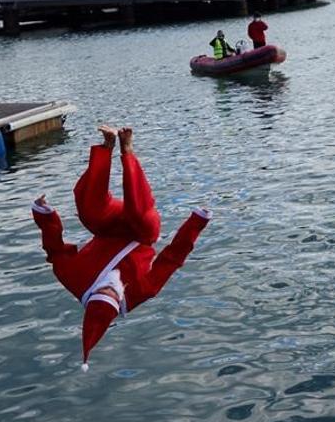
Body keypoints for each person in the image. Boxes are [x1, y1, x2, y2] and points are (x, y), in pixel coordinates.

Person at [32, 125, 211, 370]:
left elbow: (54, 250)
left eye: (103, 289)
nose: (111, 285)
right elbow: (173, 257)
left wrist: (45, 215)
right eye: (113, 293)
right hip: (141, 233)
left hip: (107, 228)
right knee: (139, 211)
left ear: (92, 294)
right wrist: (197, 222)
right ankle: (128, 151)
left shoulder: (74, 279)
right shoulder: (142, 290)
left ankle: (107, 146)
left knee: (88, 208)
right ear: (119, 302)